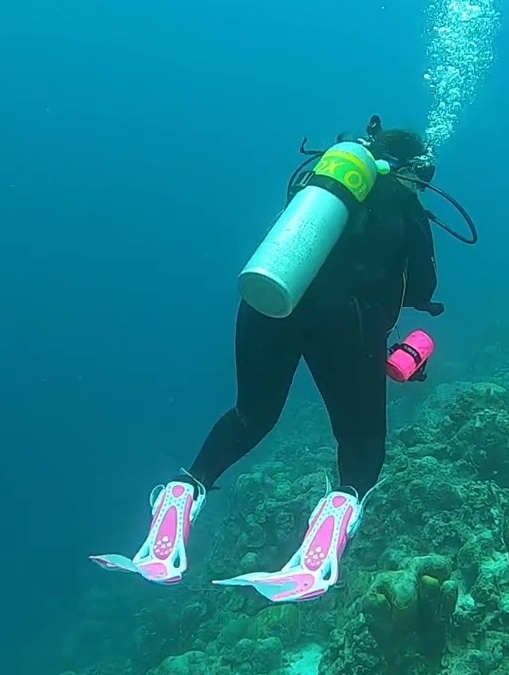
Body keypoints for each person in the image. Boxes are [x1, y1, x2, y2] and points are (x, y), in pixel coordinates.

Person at [90, 116, 477, 603]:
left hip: (269, 298)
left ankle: (184, 489)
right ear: (413, 171)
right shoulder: (406, 203)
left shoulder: (320, 186)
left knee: (252, 415)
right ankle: (339, 508)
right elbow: (424, 287)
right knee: (362, 445)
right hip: (348, 320)